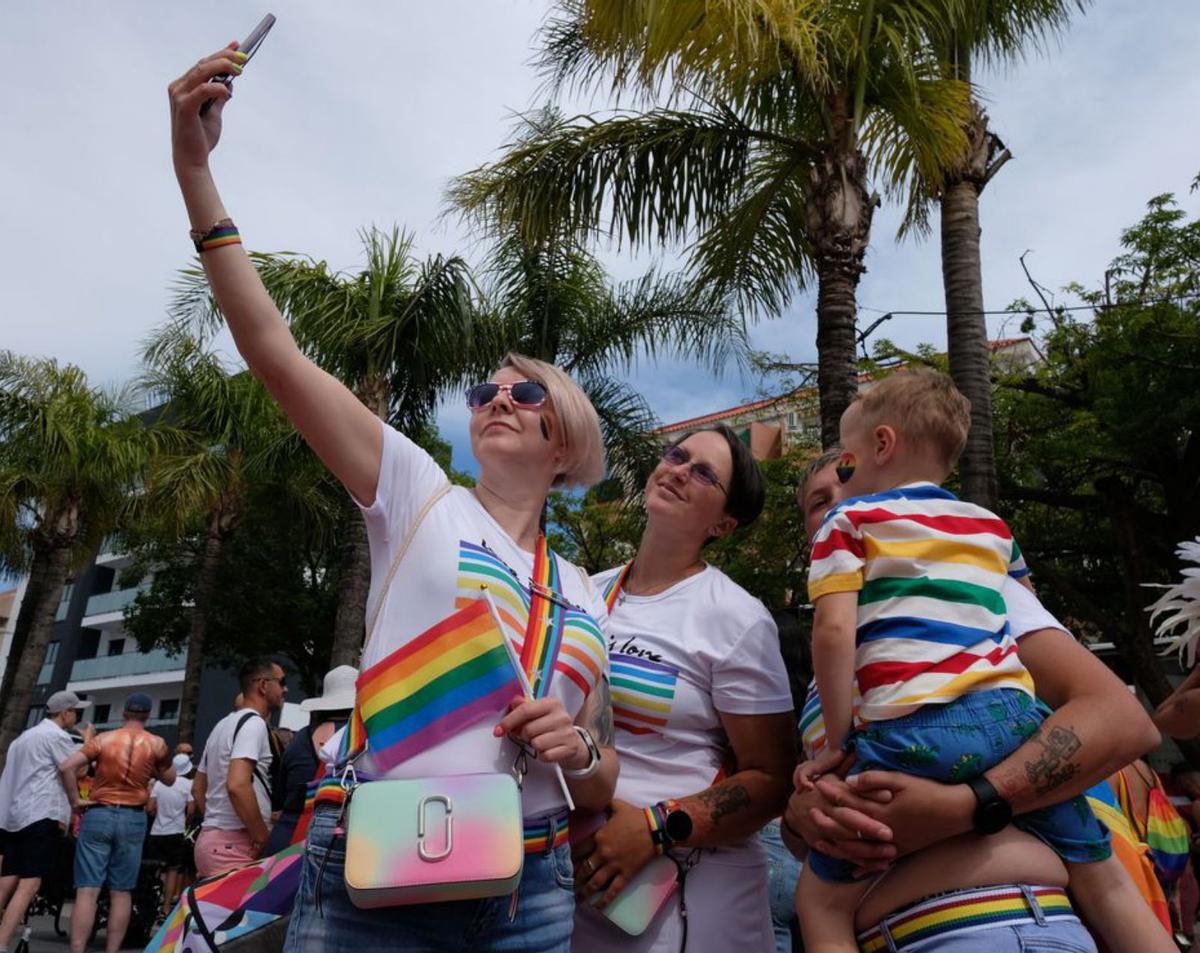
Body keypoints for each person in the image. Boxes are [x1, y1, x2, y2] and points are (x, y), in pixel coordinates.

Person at [168, 46, 618, 951]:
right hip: (379, 859)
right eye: (485, 390)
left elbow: (601, 773)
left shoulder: (585, 587)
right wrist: (194, 170)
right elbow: (275, 351)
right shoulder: (419, 494)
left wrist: (583, 749)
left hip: (531, 880)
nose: (497, 399)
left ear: (563, 436)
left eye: (524, 394)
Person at [794, 368, 1161, 953]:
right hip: (1006, 716)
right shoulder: (984, 535)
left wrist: (958, 804)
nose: (842, 492)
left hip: (1004, 918)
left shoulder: (858, 531)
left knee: (815, 900)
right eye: (820, 498)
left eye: (845, 468)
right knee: (1095, 862)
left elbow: (1123, 719)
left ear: (881, 446)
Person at [571, 427, 795, 952]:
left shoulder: (736, 618)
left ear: (723, 523)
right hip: (583, 882)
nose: (679, 470)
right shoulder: (586, 591)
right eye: (677, 455)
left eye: (704, 473)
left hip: (693, 895)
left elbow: (772, 778)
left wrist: (656, 827)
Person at [60, 692, 174, 953]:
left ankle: (77, 950)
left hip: (99, 813)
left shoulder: (103, 739)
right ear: (147, 715)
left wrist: (75, 800)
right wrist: (151, 769)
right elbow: (170, 779)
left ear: (124, 713)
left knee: (87, 890)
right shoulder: (156, 743)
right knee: (122, 891)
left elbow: (67, 766)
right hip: (133, 817)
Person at [0, 691, 88, 953]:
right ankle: (3, 942)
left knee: (8, 877)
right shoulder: (57, 737)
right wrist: (88, 742)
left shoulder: (23, 738)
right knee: (31, 882)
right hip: (40, 812)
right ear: (65, 713)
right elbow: (76, 769)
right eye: (76, 711)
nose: (77, 716)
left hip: (14, 814)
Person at [193, 659, 286, 878]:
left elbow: (198, 788)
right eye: (281, 682)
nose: (285, 689)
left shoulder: (222, 725)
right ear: (263, 685)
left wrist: (217, 822)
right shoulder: (253, 724)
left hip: (212, 841)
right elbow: (237, 784)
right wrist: (261, 836)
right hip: (235, 846)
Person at [264, 664, 356, 855]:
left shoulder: (298, 740)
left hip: (286, 844)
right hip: (335, 847)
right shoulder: (365, 740)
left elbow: (279, 798)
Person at [146, 753, 196, 919]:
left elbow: (150, 807)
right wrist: (186, 822)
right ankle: (166, 907)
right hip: (176, 831)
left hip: (157, 832)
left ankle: (152, 903)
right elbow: (191, 810)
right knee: (173, 869)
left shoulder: (160, 784)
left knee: (155, 870)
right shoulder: (188, 785)